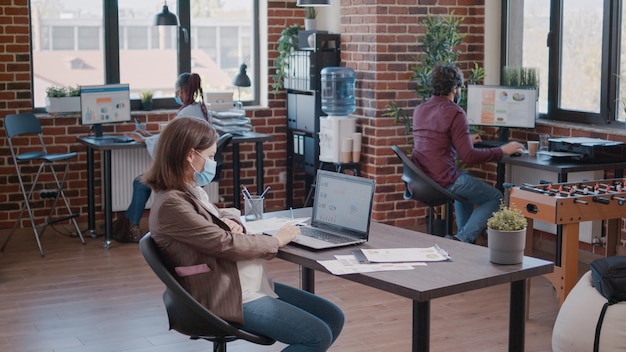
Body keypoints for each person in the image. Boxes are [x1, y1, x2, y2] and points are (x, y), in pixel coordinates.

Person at [143, 117, 345, 351]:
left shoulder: (186, 192)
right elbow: (225, 244)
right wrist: (276, 240)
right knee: (316, 335)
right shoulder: (172, 203)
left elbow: (217, 216)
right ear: (190, 155)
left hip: (240, 282)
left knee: (333, 317)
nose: (213, 162)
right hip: (224, 294)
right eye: (209, 156)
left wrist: (230, 219)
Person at [411, 64, 524, 244]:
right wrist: (502, 150)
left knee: (467, 186)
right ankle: (463, 239)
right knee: (495, 197)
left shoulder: (420, 109)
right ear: (455, 88)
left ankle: (465, 241)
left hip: (423, 180)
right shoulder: (455, 112)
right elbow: (469, 157)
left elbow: (434, 142)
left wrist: (463, 140)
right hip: (444, 180)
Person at [113, 73, 209, 242]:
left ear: (180, 91)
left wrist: (145, 139)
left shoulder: (186, 112)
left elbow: (171, 140)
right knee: (142, 181)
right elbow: (175, 136)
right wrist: (150, 136)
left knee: (141, 182)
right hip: (196, 164)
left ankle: (131, 228)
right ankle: (125, 225)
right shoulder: (201, 109)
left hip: (183, 168)